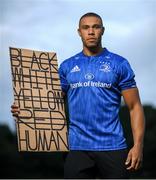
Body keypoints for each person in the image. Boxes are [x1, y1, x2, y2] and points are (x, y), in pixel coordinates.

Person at [11, 12, 145, 179]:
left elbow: (135, 107)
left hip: (113, 146)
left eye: (95, 27)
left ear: (102, 30)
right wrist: (25, 108)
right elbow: (49, 102)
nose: (91, 32)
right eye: (86, 27)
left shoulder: (119, 63)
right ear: (79, 32)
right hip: (76, 148)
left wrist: (138, 145)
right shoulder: (67, 66)